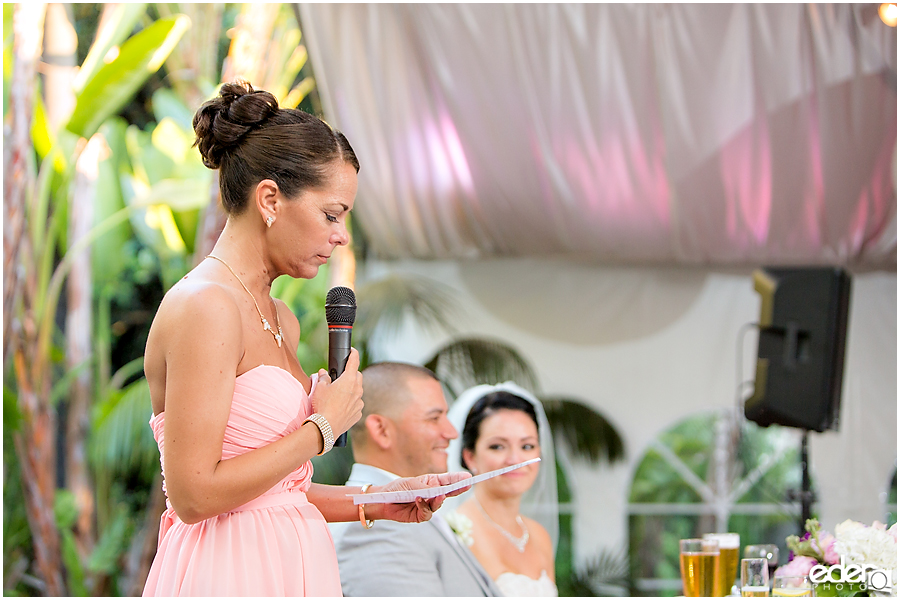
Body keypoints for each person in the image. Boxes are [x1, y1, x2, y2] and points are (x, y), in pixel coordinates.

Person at [141, 81, 469, 596]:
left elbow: (277, 496)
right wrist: (322, 426)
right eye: (331, 214)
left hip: (295, 567)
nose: (340, 235)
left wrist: (377, 500)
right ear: (270, 198)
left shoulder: (281, 317)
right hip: (228, 573)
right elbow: (195, 495)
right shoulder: (206, 306)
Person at [333, 362, 503, 597]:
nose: (452, 433)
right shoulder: (374, 528)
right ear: (381, 430)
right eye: (434, 418)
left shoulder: (406, 508)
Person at [445, 382, 560, 597]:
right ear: (470, 456)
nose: (515, 460)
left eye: (527, 446)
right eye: (497, 446)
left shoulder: (538, 535)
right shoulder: (455, 532)